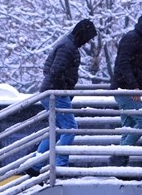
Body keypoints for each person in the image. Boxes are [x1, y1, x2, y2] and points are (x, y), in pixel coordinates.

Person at [32, 18, 98, 173]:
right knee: (70, 129)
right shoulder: (68, 47)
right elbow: (55, 71)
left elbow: (48, 68)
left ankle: (36, 164)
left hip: (51, 92)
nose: (87, 42)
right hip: (57, 93)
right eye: (87, 38)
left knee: (57, 129)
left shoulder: (66, 44)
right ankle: (60, 166)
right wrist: (65, 88)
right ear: (82, 34)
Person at [109, 11, 142, 170]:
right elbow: (123, 65)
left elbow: (136, 71)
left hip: (126, 89)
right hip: (125, 90)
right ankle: (118, 159)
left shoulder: (136, 40)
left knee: (128, 129)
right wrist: (135, 87)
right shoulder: (132, 39)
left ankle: (121, 168)